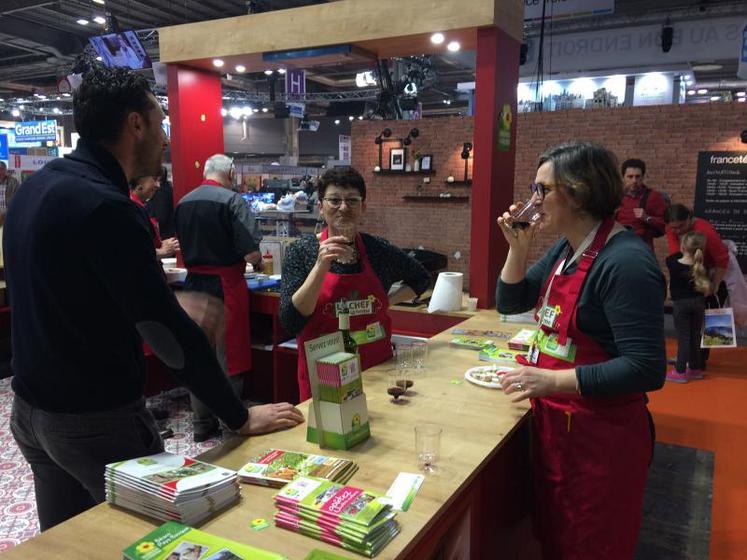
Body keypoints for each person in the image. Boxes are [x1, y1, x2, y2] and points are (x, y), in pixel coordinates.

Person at [3, 65, 303, 531]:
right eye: (160, 121)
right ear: (134, 124)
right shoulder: (108, 207)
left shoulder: (34, 189)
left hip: (31, 415)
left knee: (68, 544)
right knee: (166, 535)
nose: (166, 137)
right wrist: (237, 416)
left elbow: (66, 300)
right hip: (94, 420)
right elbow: (167, 334)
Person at [495, 141, 665, 559]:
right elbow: (511, 302)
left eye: (542, 190)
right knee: (557, 539)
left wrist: (551, 379)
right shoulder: (567, 246)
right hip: (562, 429)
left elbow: (646, 368)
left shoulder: (625, 261)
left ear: (578, 192)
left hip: (601, 442)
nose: (532, 201)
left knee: (592, 545)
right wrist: (518, 250)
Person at [279, 167, 430, 402]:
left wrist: (383, 303)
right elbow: (291, 320)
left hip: (378, 375)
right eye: (334, 200)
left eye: (352, 200)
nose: (343, 207)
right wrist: (321, 266)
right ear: (321, 206)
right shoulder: (301, 252)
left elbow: (421, 279)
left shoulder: (377, 250)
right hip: (324, 379)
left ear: (363, 207)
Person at [174, 154, 264, 441]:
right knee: (230, 359)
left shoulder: (183, 202)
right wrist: (258, 263)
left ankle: (201, 424)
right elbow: (252, 253)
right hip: (226, 286)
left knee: (198, 356)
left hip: (193, 286)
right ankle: (231, 423)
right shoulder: (232, 201)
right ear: (231, 172)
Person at [665, 232, 710, 383]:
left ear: (683, 246)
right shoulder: (702, 265)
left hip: (681, 305)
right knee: (695, 336)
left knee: (684, 338)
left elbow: (675, 253)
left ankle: (680, 371)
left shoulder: (672, 262)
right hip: (698, 303)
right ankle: (695, 369)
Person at [613, 158, 667, 250]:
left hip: (643, 248)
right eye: (630, 177)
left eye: (638, 176)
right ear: (623, 177)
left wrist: (648, 218)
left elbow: (666, 224)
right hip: (619, 246)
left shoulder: (654, 197)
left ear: (643, 177)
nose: (634, 180)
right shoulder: (615, 197)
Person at [129, 175, 179, 259]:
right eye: (154, 180)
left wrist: (161, 245)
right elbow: (135, 251)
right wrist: (163, 251)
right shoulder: (131, 208)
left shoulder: (138, 205)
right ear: (140, 181)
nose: (158, 185)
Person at [146, 166, 176, 238]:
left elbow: (161, 218)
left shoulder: (161, 193)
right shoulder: (168, 188)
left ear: (158, 177)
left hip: (164, 235)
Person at [0, 161, 20, 226]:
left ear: (6, 170)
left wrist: (5, 214)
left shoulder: (14, 182)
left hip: (9, 216)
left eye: (1, 169)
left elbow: (18, 200)